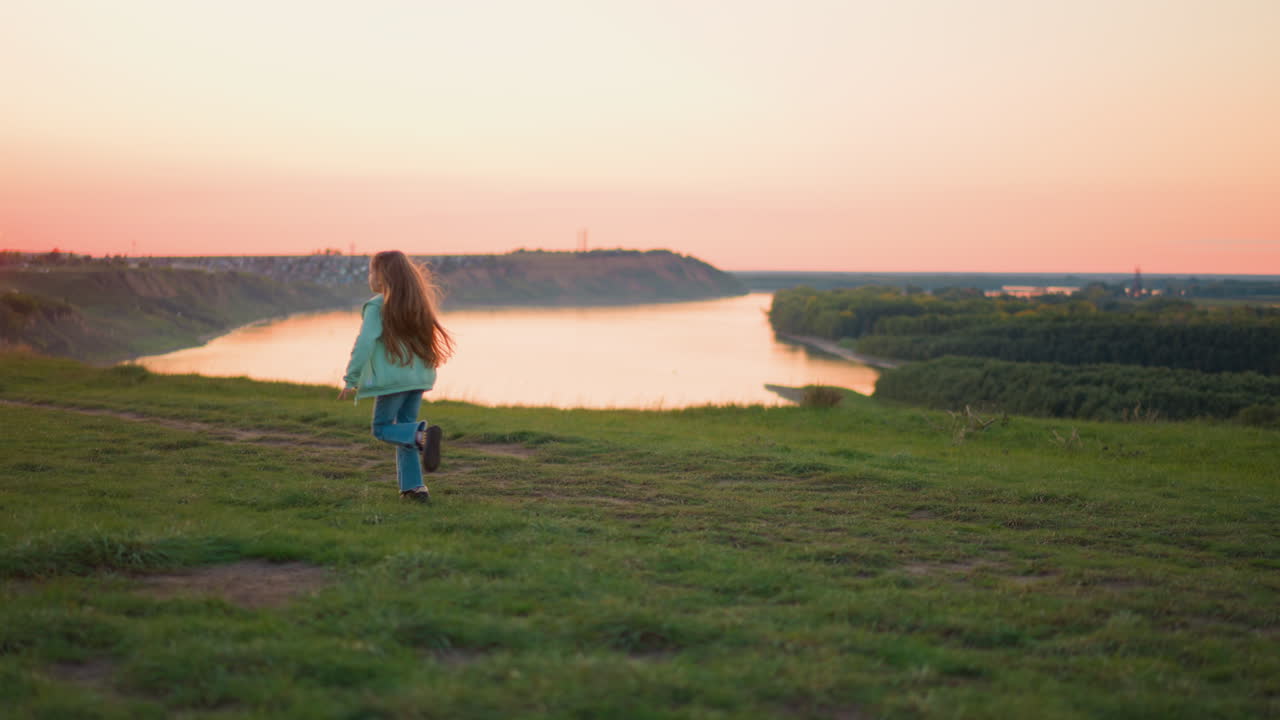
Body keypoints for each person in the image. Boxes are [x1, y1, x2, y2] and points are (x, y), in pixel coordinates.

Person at [339, 251, 454, 502]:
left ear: (383, 276)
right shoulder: (417, 303)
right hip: (419, 379)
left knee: (382, 429)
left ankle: (422, 437)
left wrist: (351, 379)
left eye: (371, 271)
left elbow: (365, 341)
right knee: (405, 430)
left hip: (394, 382)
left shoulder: (378, 305)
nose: (369, 276)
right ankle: (414, 489)